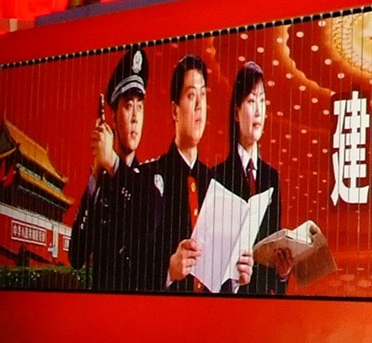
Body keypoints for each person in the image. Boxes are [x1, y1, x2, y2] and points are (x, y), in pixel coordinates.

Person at [68, 47, 171, 291]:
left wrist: (112, 162)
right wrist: (95, 173)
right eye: (127, 106)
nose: (135, 117)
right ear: (113, 118)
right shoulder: (102, 186)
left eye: (140, 107)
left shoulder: (152, 176)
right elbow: (76, 256)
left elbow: (147, 220)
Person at [146, 54, 250, 293]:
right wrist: (168, 270)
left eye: (203, 96)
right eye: (191, 96)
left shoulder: (215, 183)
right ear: (175, 110)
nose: (199, 106)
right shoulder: (151, 177)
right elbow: (134, 262)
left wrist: (237, 277)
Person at [207, 62, 290, 295]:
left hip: (263, 309)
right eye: (252, 101)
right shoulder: (217, 178)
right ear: (236, 112)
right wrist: (234, 282)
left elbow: (274, 270)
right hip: (228, 306)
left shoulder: (272, 178)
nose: (258, 111)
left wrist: (283, 274)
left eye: (262, 101)